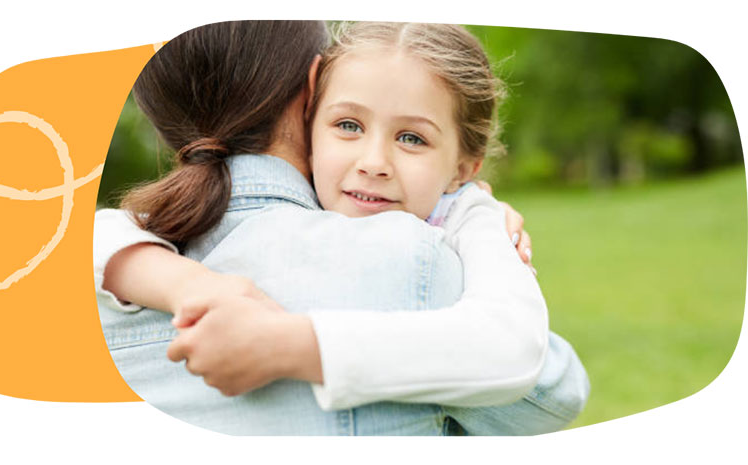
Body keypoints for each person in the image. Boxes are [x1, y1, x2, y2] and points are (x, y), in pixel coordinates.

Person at [96, 21, 589, 435]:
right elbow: (554, 389)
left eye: (412, 138)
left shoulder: (124, 259)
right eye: (349, 126)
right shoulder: (421, 265)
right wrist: (476, 222)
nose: (373, 162)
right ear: (311, 98)